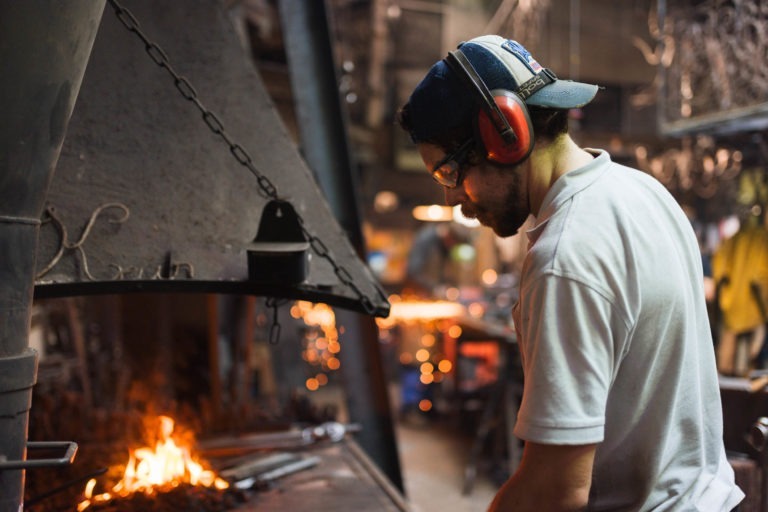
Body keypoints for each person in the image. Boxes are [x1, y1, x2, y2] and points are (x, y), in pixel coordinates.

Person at [397, 35, 743, 511]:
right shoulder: (643, 192)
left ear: (506, 134)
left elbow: (555, 491)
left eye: (448, 174)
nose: (451, 198)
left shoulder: (564, 257)